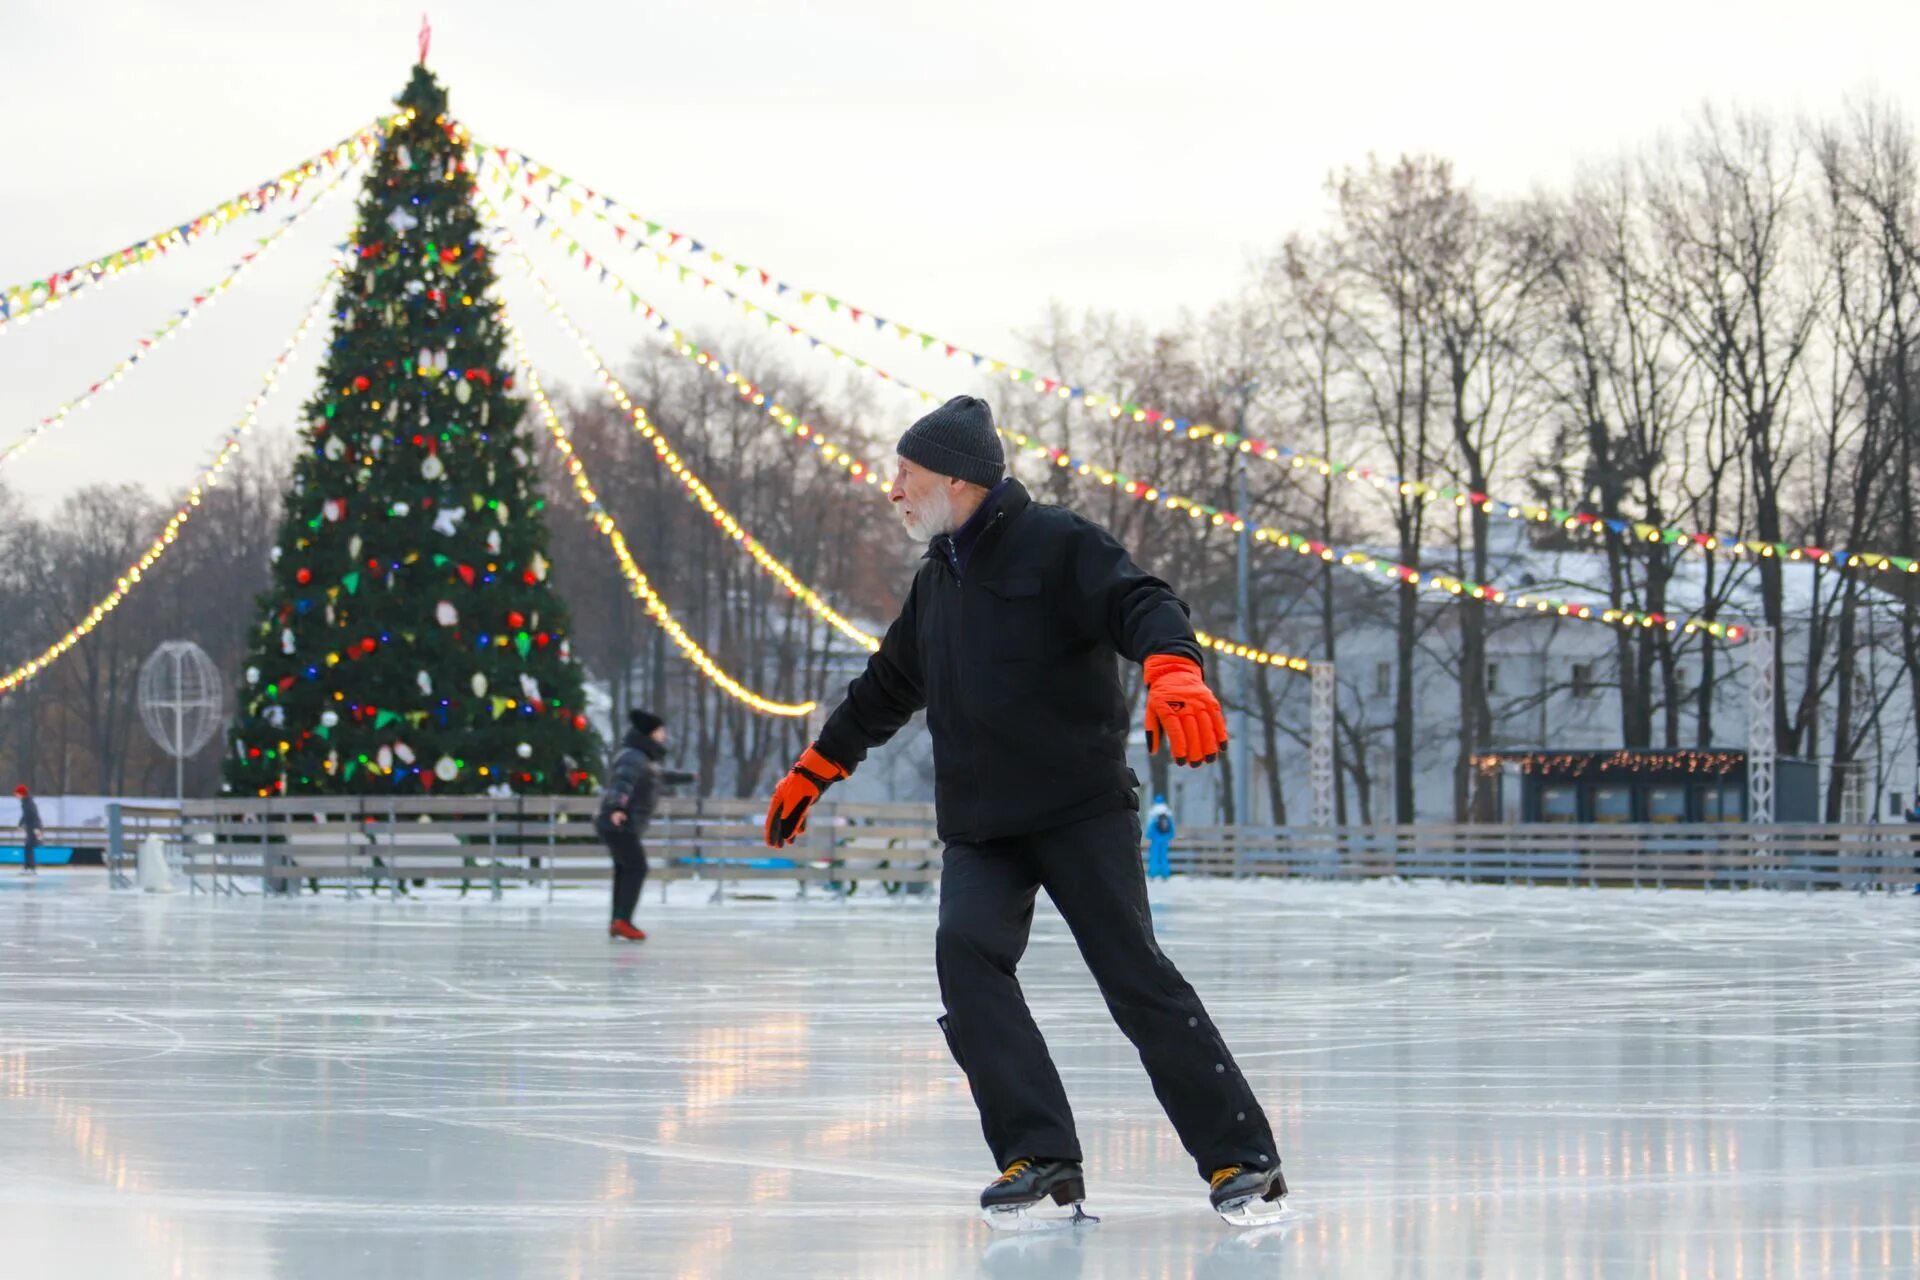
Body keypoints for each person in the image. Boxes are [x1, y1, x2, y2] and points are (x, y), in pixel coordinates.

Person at [763, 395, 1286, 1228]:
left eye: (905, 474)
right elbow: (886, 688)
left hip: (1078, 808)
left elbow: (1143, 601)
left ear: (957, 478)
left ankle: (1242, 1158)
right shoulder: (938, 579)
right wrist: (818, 765)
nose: (893, 490)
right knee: (967, 964)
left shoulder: (1058, 544)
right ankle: (1039, 1153)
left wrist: (1173, 667)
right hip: (981, 825)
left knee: (1134, 978)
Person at [596, 710, 694, 940]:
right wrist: (617, 809)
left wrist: (689, 777)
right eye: (661, 731)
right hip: (621, 822)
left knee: (625, 868)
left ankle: (618, 919)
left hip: (621, 823)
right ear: (649, 733)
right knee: (637, 867)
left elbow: (659, 776)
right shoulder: (634, 757)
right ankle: (622, 920)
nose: (664, 736)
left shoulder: (641, 757)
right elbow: (622, 782)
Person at [1146, 794, 1176, 880]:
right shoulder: (1167, 811)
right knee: (1164, 856)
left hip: (1155, 837)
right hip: (1165, 837)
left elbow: (1150, 825)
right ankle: (1165, 874)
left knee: (1154, 856)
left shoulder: (1152, 811)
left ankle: (1152, 874)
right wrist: (1171, 835)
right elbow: (1171, 825)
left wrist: (1148, 835)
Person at [14, 785, 41, 876]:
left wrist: (37, 829)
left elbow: (33, 815)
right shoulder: (25, 802)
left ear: (22, 793)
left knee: (29, 847)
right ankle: (28, 867)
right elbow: (25, 815)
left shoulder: (28, 803)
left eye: (17, 794)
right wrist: (20, 824)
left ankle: (31, 868)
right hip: (31, 827)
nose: (16, 796)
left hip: (33, 827)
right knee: (28, 847)